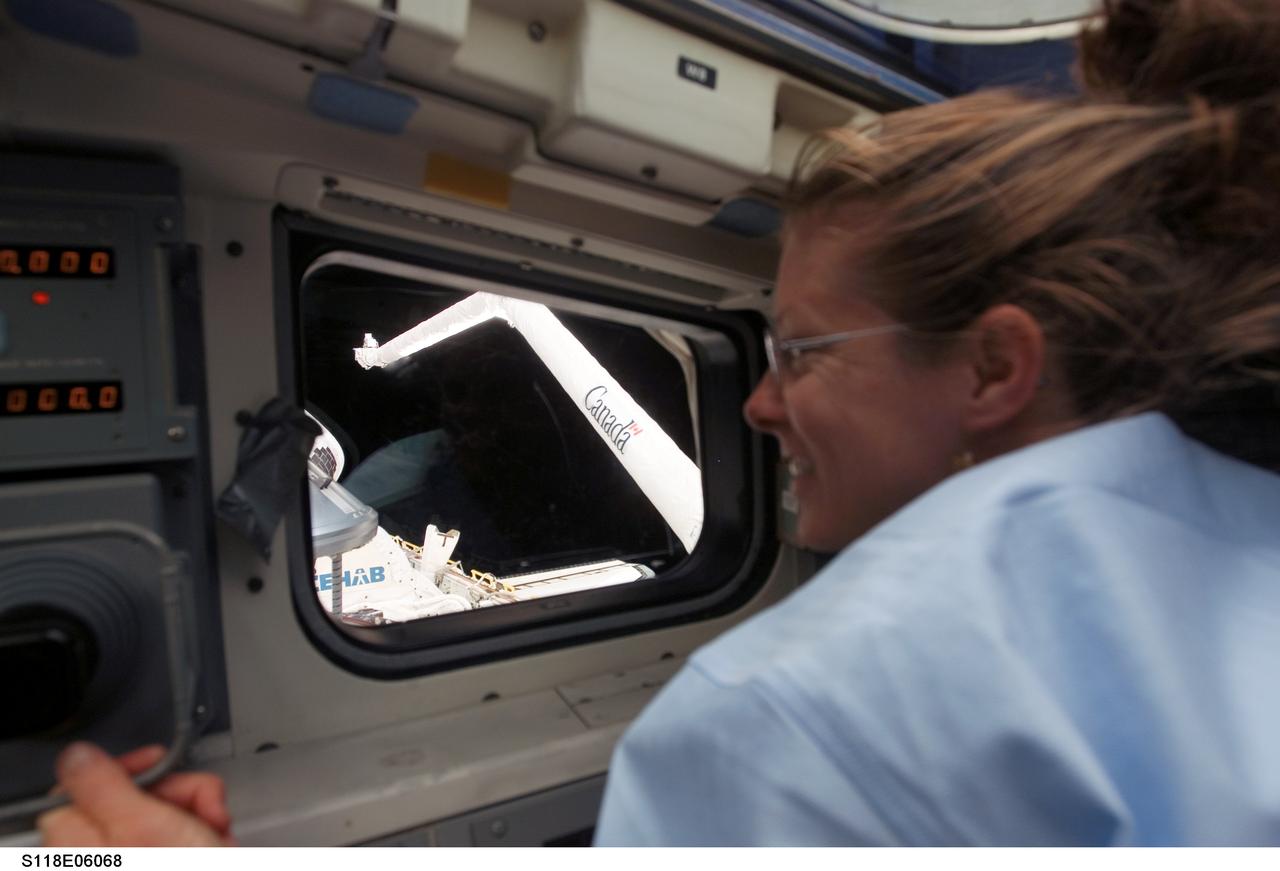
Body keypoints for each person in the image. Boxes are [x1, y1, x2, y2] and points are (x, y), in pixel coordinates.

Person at [37, 0, 1280, 847]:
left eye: (796, 350)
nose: (755, 399)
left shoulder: (805, 711)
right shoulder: (1233, 533)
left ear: (993, 366)